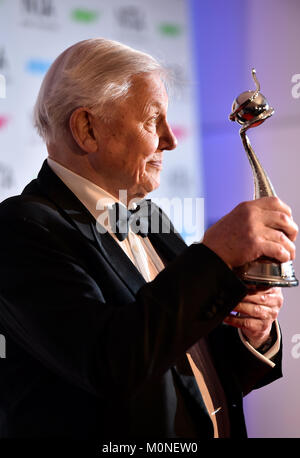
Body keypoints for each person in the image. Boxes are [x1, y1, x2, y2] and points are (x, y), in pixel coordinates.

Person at [0, 38, 297, 439]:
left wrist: (252, 332)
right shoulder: (21, 228)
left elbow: (182, 369)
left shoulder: (147, 215)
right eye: (151, 121)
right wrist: (214, 255)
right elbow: (112, 365)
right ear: (87, 128)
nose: (171, 140)